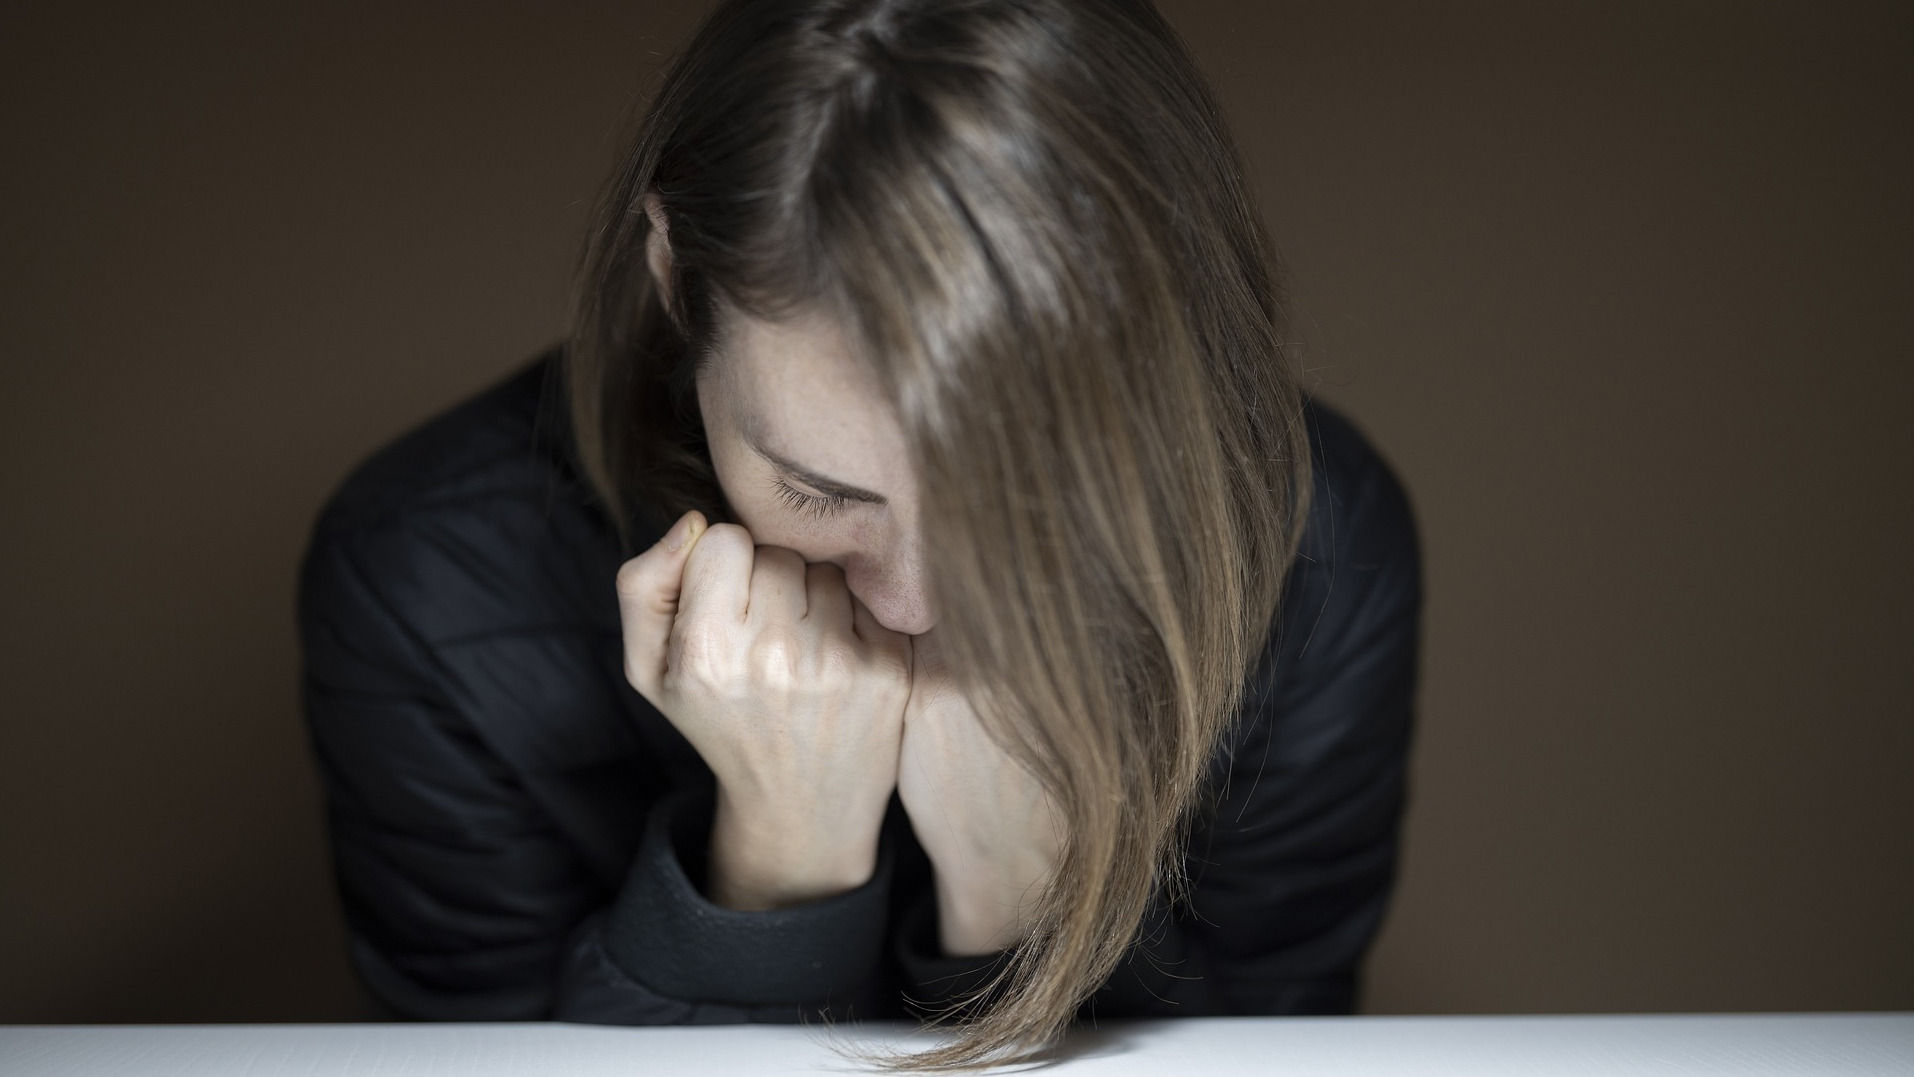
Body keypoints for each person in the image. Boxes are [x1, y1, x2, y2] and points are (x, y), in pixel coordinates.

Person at [296, 0, 1422, 1068]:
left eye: (1019, 505)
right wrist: (780, 864)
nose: (916, 608)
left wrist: (1025, 889)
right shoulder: (426, 584)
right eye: (820, 491)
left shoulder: (1312, 546)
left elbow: (1281, 1046)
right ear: (677, 281)